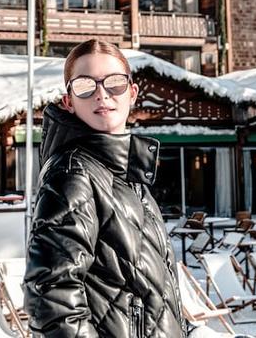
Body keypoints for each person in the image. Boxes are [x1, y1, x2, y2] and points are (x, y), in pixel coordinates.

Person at [24, 38, 184, 338]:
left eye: (114, 83)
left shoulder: (127, 175)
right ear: (69, 100)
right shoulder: (73, 173)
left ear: (132, 92)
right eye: (85, 85)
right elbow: (51, 294)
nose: (102, 94)